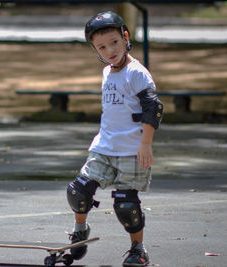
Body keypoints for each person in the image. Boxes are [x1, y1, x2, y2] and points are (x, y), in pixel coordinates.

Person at [66, 11, 163, 267]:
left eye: (114, 43)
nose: (110, 50)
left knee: (125, 205)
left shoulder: (137, 73)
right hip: (104, 147)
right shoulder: (107, 72)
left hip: (132, 150)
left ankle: (137, 250)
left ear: (125, 37)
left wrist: (146, 144)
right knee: (78, 192)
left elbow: (153, 109)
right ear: (95, 49)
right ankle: (80, 232)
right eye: (102, 47)